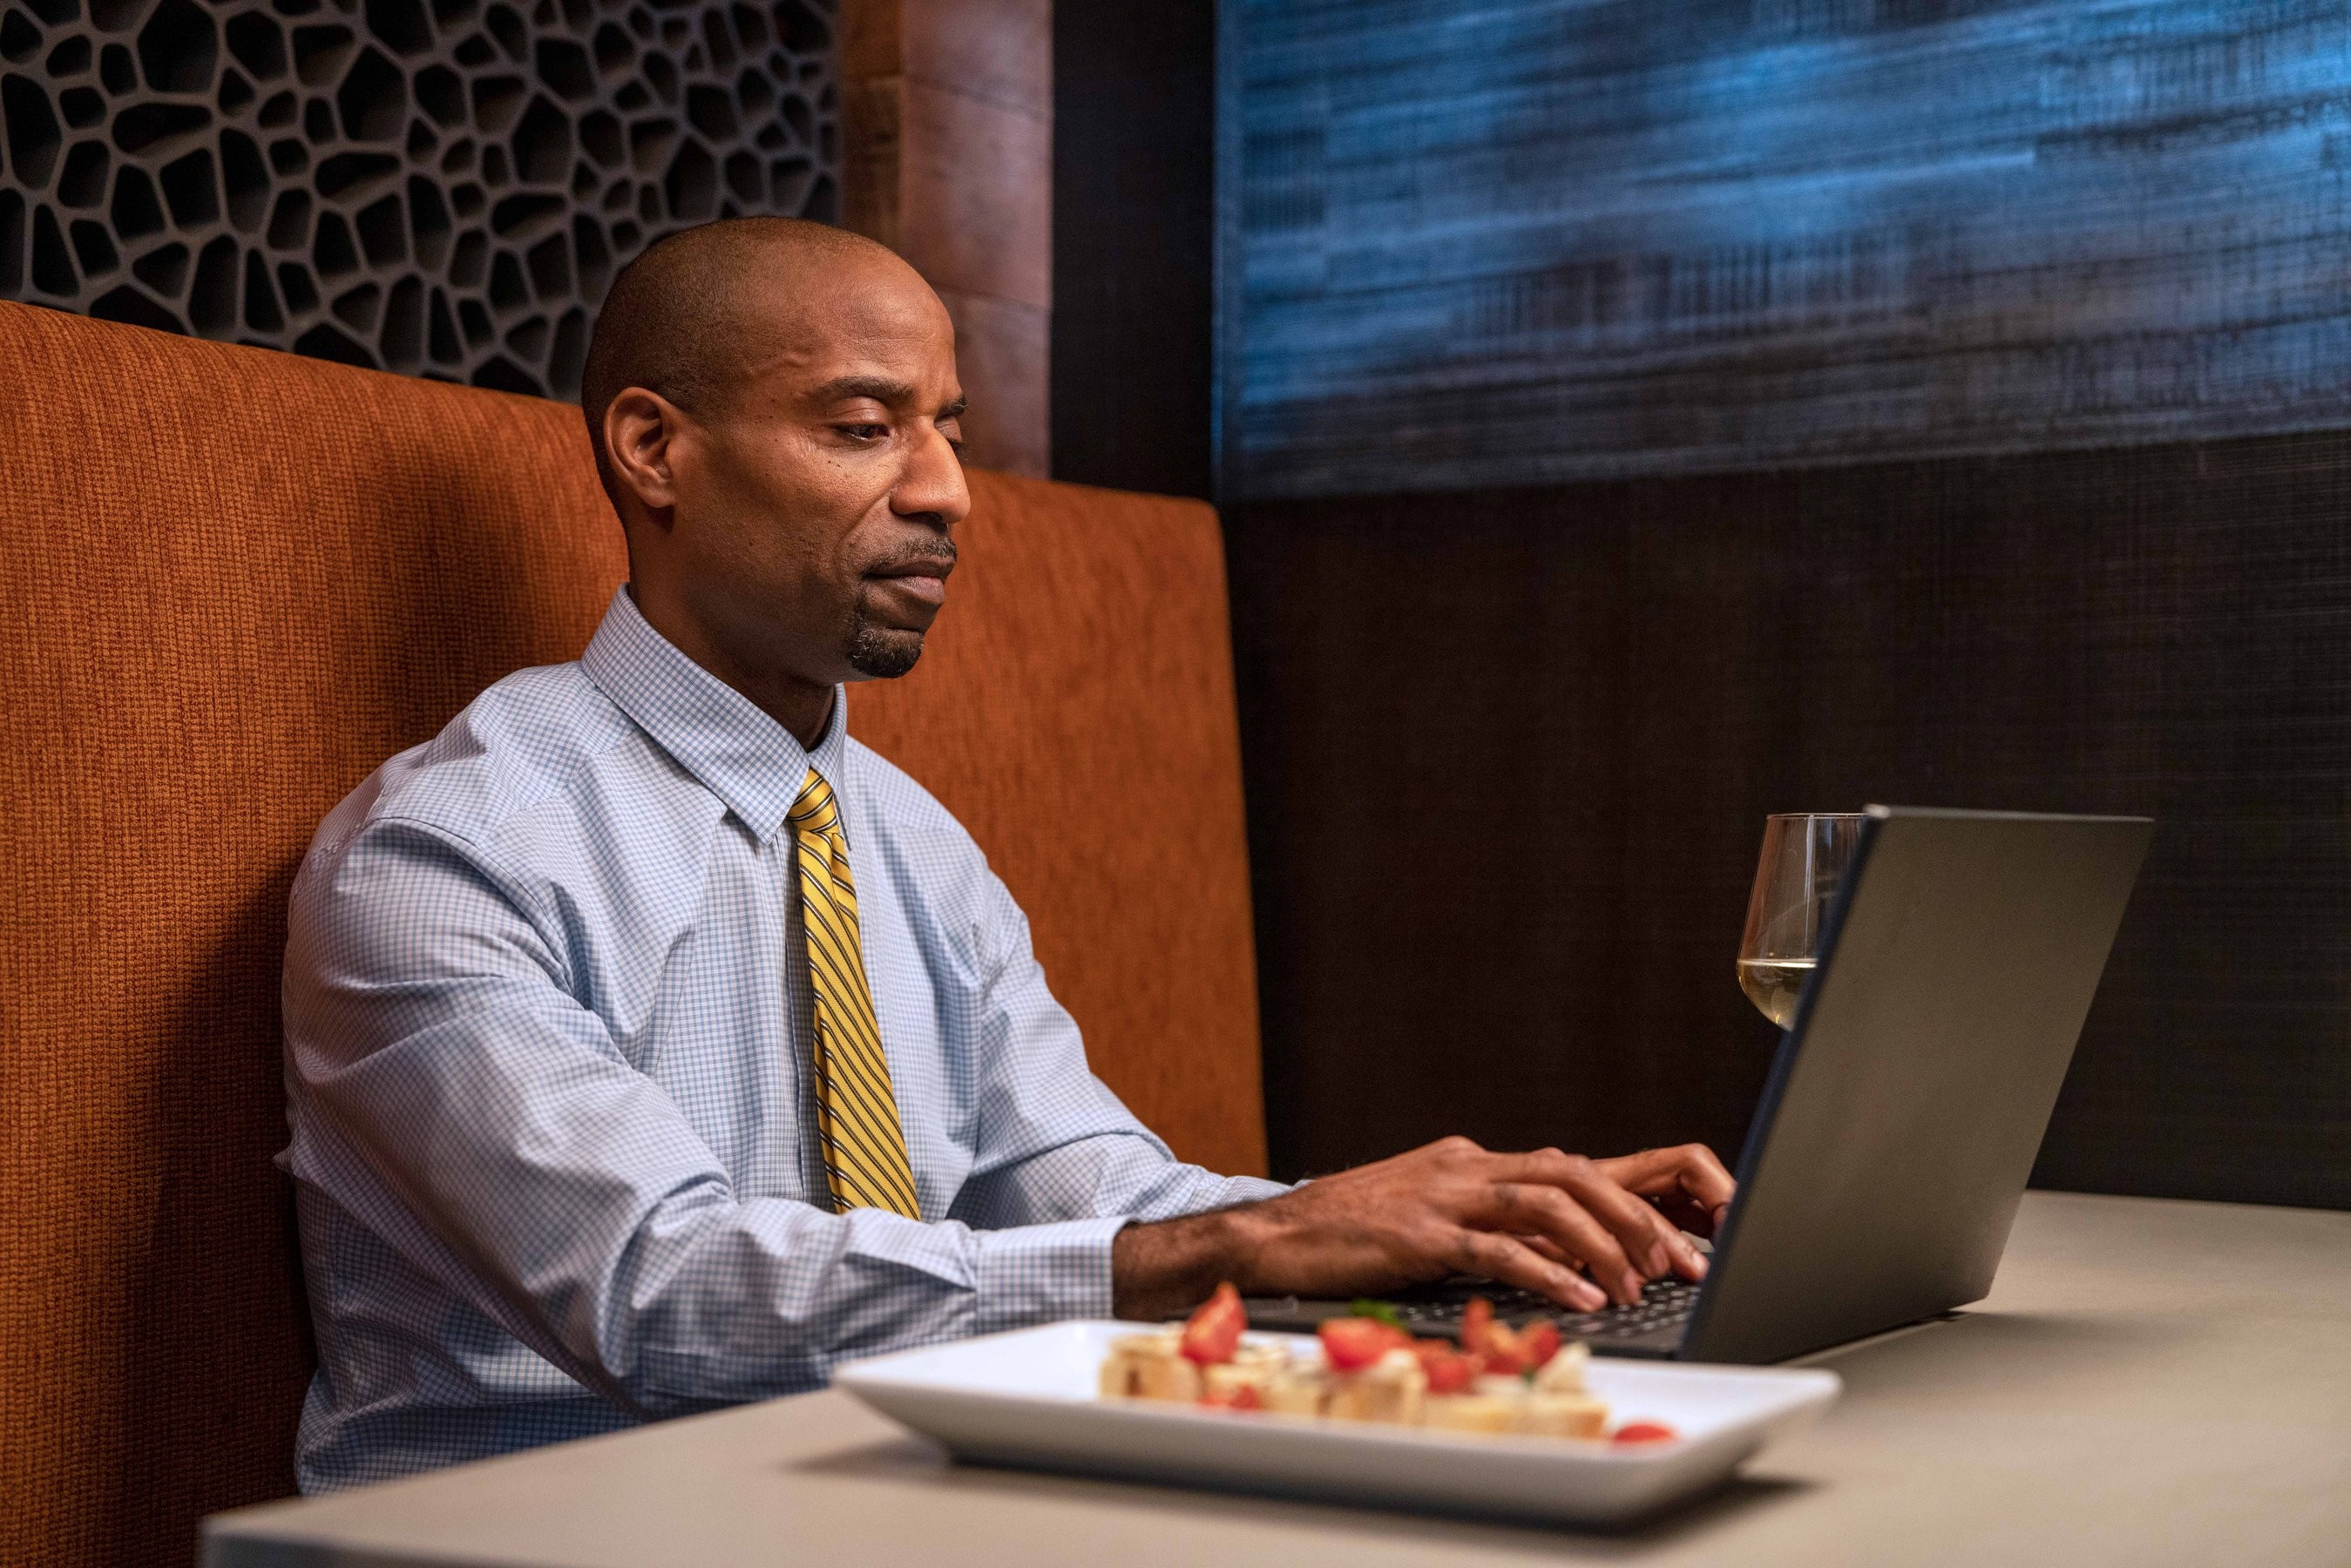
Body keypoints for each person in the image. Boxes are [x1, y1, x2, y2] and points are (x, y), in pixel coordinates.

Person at [279, 217, 1736, 1492]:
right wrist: (1243, 1254)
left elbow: (1086, 1191)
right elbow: (663, 1295)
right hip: (544, 1531)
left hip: (892, 1498)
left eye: (949, 430)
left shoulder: (909, 843)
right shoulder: (445, 855)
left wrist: (1450, 1231)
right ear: (654, 449)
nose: (947, 493)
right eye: (863, 427)